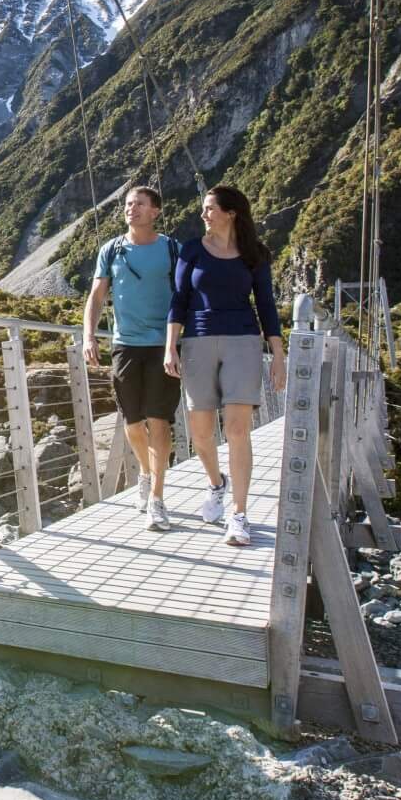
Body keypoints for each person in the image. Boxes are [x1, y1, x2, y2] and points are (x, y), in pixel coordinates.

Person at [165, 185, 287, 546]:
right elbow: (179, 300)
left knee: (237, 429)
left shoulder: (254, 254)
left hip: (243, 342)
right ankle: (217, 483)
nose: (203, 214)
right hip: (197, 342)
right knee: (201, 432)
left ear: (231, 213)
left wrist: (278, 355)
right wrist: (171, 347)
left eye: (210, 208)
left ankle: (239, 514)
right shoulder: (191, 250)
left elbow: (266, 305)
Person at [83, 186, 181, 531]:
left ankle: (157, 497)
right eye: (127, 204)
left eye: (139, 204)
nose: (131, 209)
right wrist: (89, 336)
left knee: (159, 419)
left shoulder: (172, 249)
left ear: (155, 211)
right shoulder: (111, 249)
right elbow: (96, 296)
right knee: (132, 420)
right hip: (125, 344)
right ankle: (145, 472)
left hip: (163, 344)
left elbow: (186, 295)